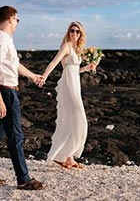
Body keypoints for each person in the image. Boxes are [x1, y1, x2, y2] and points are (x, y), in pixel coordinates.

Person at [0, 6, 45, 190]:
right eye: (17, 20)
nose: (17, 23)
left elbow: (14, 65)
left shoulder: (5, 39)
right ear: (10, 18)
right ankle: (23, 179)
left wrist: (32, 76)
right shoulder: (0, 40)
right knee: (16, 136)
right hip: (6, 93)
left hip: (7, 91)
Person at [38, 21, 96, 169]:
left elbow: (74, 70)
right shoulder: (66, 47)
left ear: (81, 34)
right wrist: (44, 76)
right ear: (68, 32)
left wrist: (86, 68)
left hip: (75, 84)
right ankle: (64, 155)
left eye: (77, 31)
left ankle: (67, 156)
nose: (74, 33)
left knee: (71, 120)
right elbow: (54, 63)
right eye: (72, 30)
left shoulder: (77, 49)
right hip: (67, 85)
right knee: (79, 118)